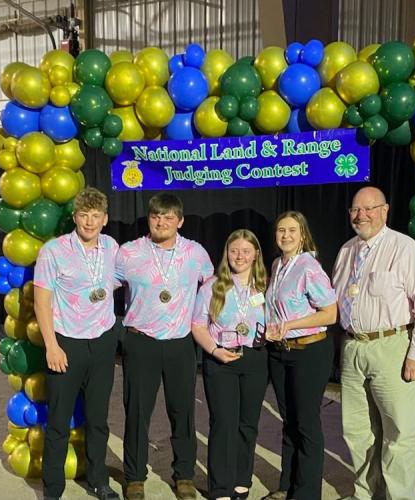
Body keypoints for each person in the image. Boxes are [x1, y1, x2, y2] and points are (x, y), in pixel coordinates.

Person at [332, 186, 415, 500]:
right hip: (353, 348)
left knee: (400, 434)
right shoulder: (347, 250)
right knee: (358, 432)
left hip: (393, 347)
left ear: (385, 210)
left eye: (368, 208)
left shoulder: (404, 249)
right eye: (354, 210)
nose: (360, 215)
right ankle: (366, 494)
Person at [115, 193, 214, 500]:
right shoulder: (129, 253)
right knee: (136, 412)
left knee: (182, 411)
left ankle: (184, 475)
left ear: (179, 221)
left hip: (180, 344)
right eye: (156, 216)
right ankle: (134, 477)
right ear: (149, 218)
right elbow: (103, 289)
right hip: (140, 341)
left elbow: (212, 289)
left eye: (168, 217)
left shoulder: (195, 253)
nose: (161, 222)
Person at [33, 188, 121, 500]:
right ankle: (53, 489)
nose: (89, 221)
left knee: (98, 419)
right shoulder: (53, 251)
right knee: (58, 420)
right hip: (66, 343)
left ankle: (99, 481)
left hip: (102, 342)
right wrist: (51, 346)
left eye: (96, 216)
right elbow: (41, 303)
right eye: (84, 215)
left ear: (105, 219)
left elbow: (123, 279)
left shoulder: (111, 247)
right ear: (75, 217)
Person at [264, 211, 338, 500]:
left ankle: (306, 494)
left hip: (309, 350)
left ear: (303, 235)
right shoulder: (277, 264)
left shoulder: (310, 267)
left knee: (306, 423)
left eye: (292, 230)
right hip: (281, 352)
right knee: (289, 420)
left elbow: (330, 314)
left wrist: (289, 325)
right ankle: (287, 485)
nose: (285, 235)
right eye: (281, 230)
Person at [191, 229, 269, 500]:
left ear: (256, 254)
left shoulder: (265, 286)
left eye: (246, 251)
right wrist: (214, 350)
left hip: (255, 359)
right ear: (226, 253)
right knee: (224, 423)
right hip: (220, 358)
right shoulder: (212, 286)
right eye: (234, 250)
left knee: (248, 423)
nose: (240, 256)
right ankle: (221, 488)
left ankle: (241, 480)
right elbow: (198, 325)